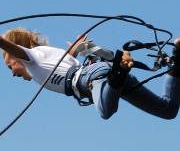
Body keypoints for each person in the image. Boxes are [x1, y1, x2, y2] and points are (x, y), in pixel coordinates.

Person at [0, 28, 180, 120]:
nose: (13, 74)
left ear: (17, 55)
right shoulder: (47, 55)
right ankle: (177, 60)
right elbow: (67, 61)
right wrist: (78, 47)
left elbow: (6, 45)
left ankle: (120, 69)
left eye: (10, 66)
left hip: (93, 78)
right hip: (101, 75)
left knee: (105, 110)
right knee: (167, 109)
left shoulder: (31, 58)